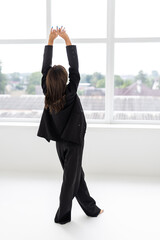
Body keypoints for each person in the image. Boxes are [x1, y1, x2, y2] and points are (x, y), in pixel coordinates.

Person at [37, 26, 104, 224]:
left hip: (60, 143)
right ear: (66, 80)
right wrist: (66, 39)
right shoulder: (70, 92)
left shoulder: (47, 93)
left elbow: (45, 68)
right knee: (70, 180)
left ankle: (91, 209)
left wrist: (50, 41)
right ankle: (63, 216)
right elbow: (75, 67)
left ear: (48, 82)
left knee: (76, 176)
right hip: (74, 142)